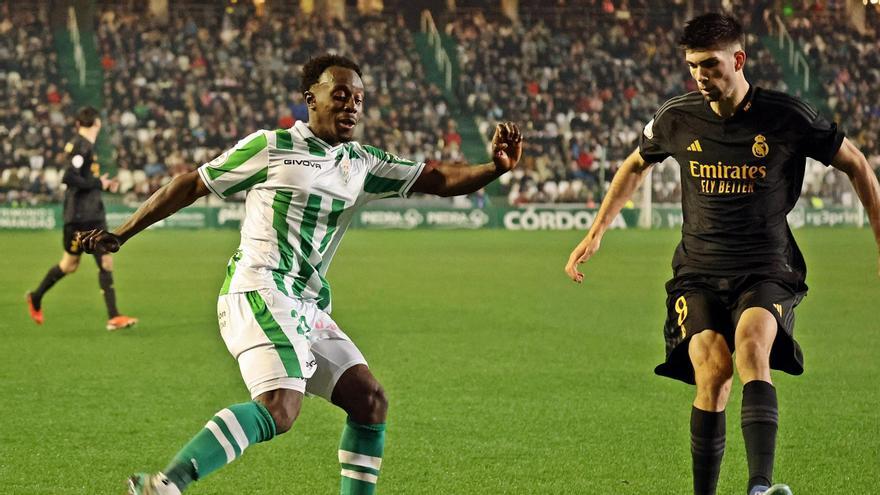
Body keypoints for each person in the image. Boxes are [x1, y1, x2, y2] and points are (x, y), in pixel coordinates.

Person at [78, 54, 523, 495]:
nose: (352, 106)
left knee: (369, 401)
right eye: (341, 95)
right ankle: (164, 485)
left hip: (305, 303)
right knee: (279, 408)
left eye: (359, 99)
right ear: (311, 98)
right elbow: (192, 183)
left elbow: (439, 178)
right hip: (259, 288)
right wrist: (123, 233)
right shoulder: (271, 147)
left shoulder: (362, 162)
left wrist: (494, 169)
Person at [563, 13, 880, 495]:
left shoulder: (786, 116)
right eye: (692, 66)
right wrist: (596, 231)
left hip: (767, 266)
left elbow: (856, 164)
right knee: (712, 372)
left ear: (738, 59)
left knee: (753, 345)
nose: (700, 76)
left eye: (709, 65)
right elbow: (633, 165)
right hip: (698, 271)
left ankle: (759, 488)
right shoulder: (677, 116)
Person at [26, 106, 138, 331]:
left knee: (75, 264)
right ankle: (37, 297)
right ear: (97, 123)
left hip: (88, 214)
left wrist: (99, 182)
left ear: (78, 124)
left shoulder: (83, 146)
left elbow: (78, 176)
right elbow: (68, 176)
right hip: (82, 218)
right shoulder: (82, 146)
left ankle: (112, 316)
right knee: (73, 265)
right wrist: (98, 183)